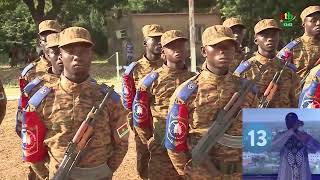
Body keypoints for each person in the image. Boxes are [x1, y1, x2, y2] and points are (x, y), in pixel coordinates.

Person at [24, 27, 129, 179]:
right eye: (71, 50)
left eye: (84, 51)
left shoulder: (109, 99)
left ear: (91, 55)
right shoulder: (41, 101)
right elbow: (32, 148)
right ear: (60, 56)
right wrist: (48, 175)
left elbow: (122, 142)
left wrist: (107, 170)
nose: (77, 56)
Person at [164, 25, 257, 179]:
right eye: (216, 46)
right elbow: (174, 143)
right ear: (204, 51)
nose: (223, 51)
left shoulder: (247, 90)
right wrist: (189, 173)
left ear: (235, 50)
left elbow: (256, 134)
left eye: (228, 46)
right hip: (202, 174)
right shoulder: (186, 93)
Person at [133, 30, 195, 179]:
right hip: (162, 148)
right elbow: (139, 116)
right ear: (163, 51)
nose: (178, 49)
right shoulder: (151, 81)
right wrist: (149, 140)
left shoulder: (195, 79)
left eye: (181, 45)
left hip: (189, 147)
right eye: (172, 46)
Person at [121, 24, 164, 179]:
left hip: (166, 127)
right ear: (145, 43)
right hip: (144, 129)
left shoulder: (171, 66)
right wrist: (140, 130)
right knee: (144, 167)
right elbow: (128, 105)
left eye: (161, 38)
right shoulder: (134, 70)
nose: (160, 42)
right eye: (155, 39)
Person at [235, 19, 300, 107]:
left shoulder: (288, 69)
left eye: (273, 35)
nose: (270, 38)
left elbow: (296, 102)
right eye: (264, 35)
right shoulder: (244, 71)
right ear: (256, 40)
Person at [272, 112, 320, 180]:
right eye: (288, 121)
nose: (290, 124)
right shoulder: (281, 135)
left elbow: (317, 148)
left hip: (303, 175)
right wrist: (292, 130)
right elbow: (274, 145)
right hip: (286, 175)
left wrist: (308, 140)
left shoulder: (304, 135)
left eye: (292, 121)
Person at [20, 20, 61, 85]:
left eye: (54, 39)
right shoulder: (30, 71)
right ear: (40, 43)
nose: (49, 43)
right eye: (45, 40)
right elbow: (24, 94)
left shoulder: (71, 67)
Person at [291, 6, 320, 81]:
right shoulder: (293, 47)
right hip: (301, 90)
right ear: (304, 24)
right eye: (313, 20)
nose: (318, 23)